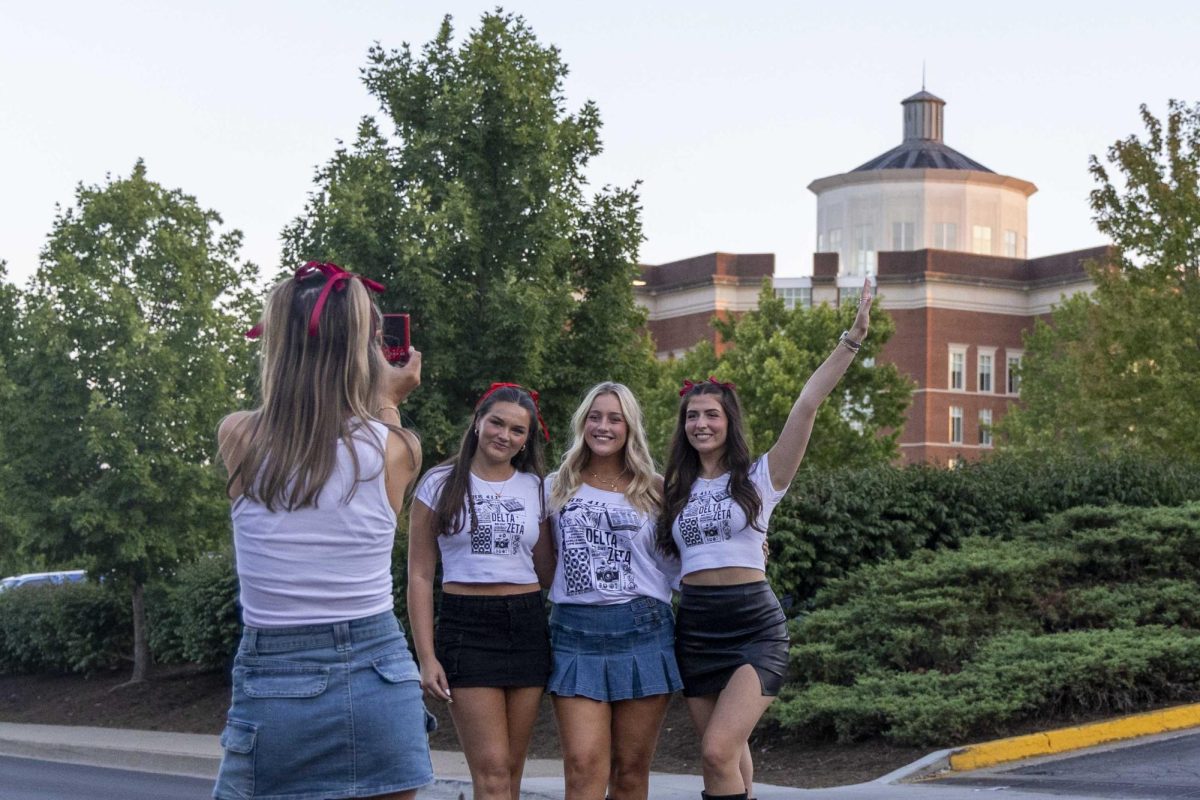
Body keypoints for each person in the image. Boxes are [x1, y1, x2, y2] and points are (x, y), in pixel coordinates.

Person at [214, 260, 432, 800]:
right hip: (381, 671)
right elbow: (381, 478)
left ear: (279, 344)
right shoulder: (395, 446)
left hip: (278, 680)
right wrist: (388, 398)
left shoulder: (240, 436)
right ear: (366, 349)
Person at [658, 280, 874, 800]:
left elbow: (806, 404)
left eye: (712, 415)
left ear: (729, 423)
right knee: (729, 757)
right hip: (696, 627)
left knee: (715, 752)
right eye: (693, 416)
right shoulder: (670, 491)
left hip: (753, 624)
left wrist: (852, 339)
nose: (701, 423)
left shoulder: (761, 478)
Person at [407, 382, 554, 800]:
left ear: (527, 440)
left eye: (517, 430)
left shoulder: (535, 488)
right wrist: (427, 656)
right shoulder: (438, 483)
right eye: (496, 423)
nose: (504, 436)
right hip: (466, 628)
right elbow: (419, 575)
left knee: (511, 774)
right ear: (477, 422)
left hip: (526, 624)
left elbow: (547, 573)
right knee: (490, 775)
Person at [545, 382, 682, 800]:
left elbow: (689, 557)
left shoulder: (657, 489)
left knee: (630, 772)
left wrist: (756, 544)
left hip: (644, 630)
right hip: (575, 634)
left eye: (614, 418)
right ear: (583, 422)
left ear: (630, 427)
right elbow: (535, 560)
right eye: (595, 416)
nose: (603, 426)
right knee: (583, 769)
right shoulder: (555, 485)